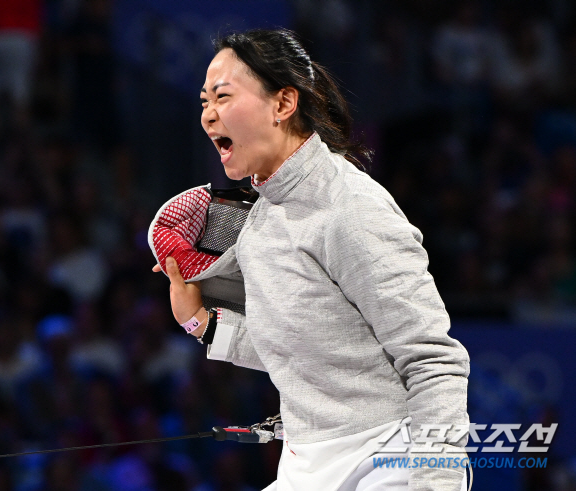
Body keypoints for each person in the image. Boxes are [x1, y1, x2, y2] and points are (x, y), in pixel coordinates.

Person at [152, 29, 470, 491]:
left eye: (223, 96)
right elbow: (306, 351)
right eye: (204, 101)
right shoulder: (260, 223)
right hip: (306, 464)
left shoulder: (350, 207)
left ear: (283, 105)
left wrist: (435, 479)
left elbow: (432, 360)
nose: (208, 115)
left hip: (388, 459)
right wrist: (202, 322)